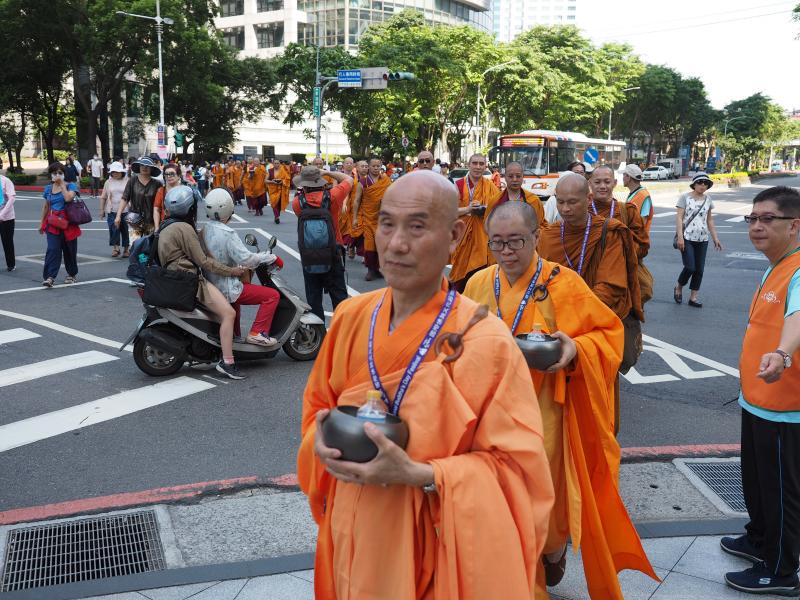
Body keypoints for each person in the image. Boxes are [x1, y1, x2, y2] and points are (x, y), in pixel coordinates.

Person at [297, 170, 554, 598]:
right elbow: (315, 412)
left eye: (417, 227)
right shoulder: (349, 318)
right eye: (387, 224)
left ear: (454, 235)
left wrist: (421, 473)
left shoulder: (486, 341)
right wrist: (318, 445)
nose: (396, 244)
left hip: (436, 551)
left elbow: (518, 472)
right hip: (352, 534)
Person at [464, 201, 657, 597]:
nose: (506, 252)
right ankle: (523, 578)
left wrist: (575, 350)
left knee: (545, 504)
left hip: (545, 415)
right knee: (500, 505)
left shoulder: (563, 282)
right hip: (492, 416)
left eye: (516, 241)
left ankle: (551, 553)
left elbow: (608, 336)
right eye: (497, 243)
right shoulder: (479, 283)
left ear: (537, 237)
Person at [722, 186, 800, 596]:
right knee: (755, 482)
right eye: (752, 219)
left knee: (782, 493)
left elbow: (796, 319)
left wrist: (783, 355)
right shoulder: (776, 264)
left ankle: (782, 571)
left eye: (767, 219)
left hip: (786, 406)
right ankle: (758, 539)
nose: (756, 226)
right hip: (757, 400)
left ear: (794, 225)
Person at [538, 173, 643, 433]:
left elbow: (610, 288)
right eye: (560, 202)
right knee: (556, 417)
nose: (565, 209)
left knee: (596, 416)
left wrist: (574, 321)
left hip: (593, 336)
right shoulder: (549, 236)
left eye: (572, 202)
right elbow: (538, 284)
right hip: (555, 332)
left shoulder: (609, 232)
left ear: (588, 198)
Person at [156, 186, 246, 379]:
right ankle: (228, 362)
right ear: (190, 209)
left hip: (174, 277)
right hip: (190, 280)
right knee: (229, 314)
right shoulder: (185, 228)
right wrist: (232, 271)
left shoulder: (166, 225)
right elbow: (204, 262)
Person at [202, 188, 283, 346]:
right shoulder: (228, 233)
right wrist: (272, 257)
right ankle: (257, 332)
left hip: (211, 284)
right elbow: (248, 260)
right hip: (226, 286)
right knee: (272, 295)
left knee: (237, 298)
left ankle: (235, 336)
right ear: (229, 208)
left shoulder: (204, 229)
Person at [291, 165, 352, 320]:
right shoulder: (333, 196)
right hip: (333, 251)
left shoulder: (298, 203)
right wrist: (328, 172)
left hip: (309, 255)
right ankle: (341, 332)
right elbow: (349, 179)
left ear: (303, 185)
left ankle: (318, 336)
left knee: (314, 298)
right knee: (339, 297)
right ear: (320, 181)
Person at [590, 164, 652, 303]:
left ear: (615, 183)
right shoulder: (582, 212)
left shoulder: (627, 212)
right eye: (597, 182)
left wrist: (619, 251)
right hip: (588, 282)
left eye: (607, 181)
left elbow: (643, 247)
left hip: (621, 285)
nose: (602, 186)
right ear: (590, 183)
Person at [674, 172, 722, 307]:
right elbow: (679, 218)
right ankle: (678, 287)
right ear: (694, 184)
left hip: (703, 238)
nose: (702, 185)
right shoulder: (684, 198)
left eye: (705, 183)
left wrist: (715, 238)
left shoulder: (708, 199)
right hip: (687, 237)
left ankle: (693, 298)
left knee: (699, 269)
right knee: (690, 267)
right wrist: (680, 237)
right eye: (700, 182)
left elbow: (710, 220)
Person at [449, 153, 496, 291]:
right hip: (462, 237)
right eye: (475, 163)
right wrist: (468, 209)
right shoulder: (457, 185)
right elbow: (448, 211)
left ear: (485, 166)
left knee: (481, 276)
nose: (478, 167)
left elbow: (497, 210)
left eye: (481, 164)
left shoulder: (490, 186)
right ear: (469, 165)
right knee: (460, 276)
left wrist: (485, 210)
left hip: (483, 237)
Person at [38, 162, 81, 287]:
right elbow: (46, 206)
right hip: (53, 223)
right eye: (54, 173)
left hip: (69, 223)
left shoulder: (71, 186)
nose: (57, 175)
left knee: (70, 250)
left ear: (64, 174)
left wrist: (62, 184)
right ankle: (50, 277)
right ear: (51, 174)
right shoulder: (48, 189)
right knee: (52, 249)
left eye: (60, 173)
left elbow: (68, 198)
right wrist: (41, 223)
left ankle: (72, 274)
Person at [355, 157, 391, 281]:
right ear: (369, 167)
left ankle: (378, 269)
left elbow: (392, 195)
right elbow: (357, 201)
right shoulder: (363, 182)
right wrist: (355, 218)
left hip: (382, 218)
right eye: (373, 166)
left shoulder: (385, 180)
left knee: (382, 244)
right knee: (369, 243)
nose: (376, 168)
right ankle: (370, 270)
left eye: (378, 166)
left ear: (381, 167)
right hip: (368, 218)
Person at [115, 156, 163, 239]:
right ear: (139, 167)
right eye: (142, 165)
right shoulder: (132, 181)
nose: (145, 168)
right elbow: (125, 198)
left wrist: (158, 224)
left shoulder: (157, 184)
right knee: (135, 246)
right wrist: (118, 216)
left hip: (151, 221)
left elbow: (160, 204)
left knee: (149, 247)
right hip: (135, 221)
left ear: (152, 169)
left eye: (148, 166)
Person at [491, 161, 546, 227]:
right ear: (505, 177)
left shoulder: (533, 200)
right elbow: (489, 227)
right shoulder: (495, 200)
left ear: (523, 177)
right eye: (510, 176)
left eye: (518, 176)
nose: (514, 179)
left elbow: (541, 226)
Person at [100, 161, 129, 258]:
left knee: (125, 230)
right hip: (112, 210)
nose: (115, 173)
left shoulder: (127, 181)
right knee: (113, 229)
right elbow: (103, 197)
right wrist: (102, 210)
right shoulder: (108, 182)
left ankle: (126, 249)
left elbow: (131, 196)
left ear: (122, 172)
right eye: (113, 172)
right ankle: (116, 248)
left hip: (126, 210)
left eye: (117, 171)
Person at [623, 164, 654, 233]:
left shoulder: (643, 195)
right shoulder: (634, 193)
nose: (622, 177)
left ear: (628, 177)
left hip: (638, 240)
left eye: (624, 175)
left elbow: (642, 222)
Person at [0, 170, 16, 271]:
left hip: (6, 217)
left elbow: (12, 198)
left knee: (7, 242)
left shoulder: (5, 181)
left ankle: (11, 264)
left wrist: (2, 214)